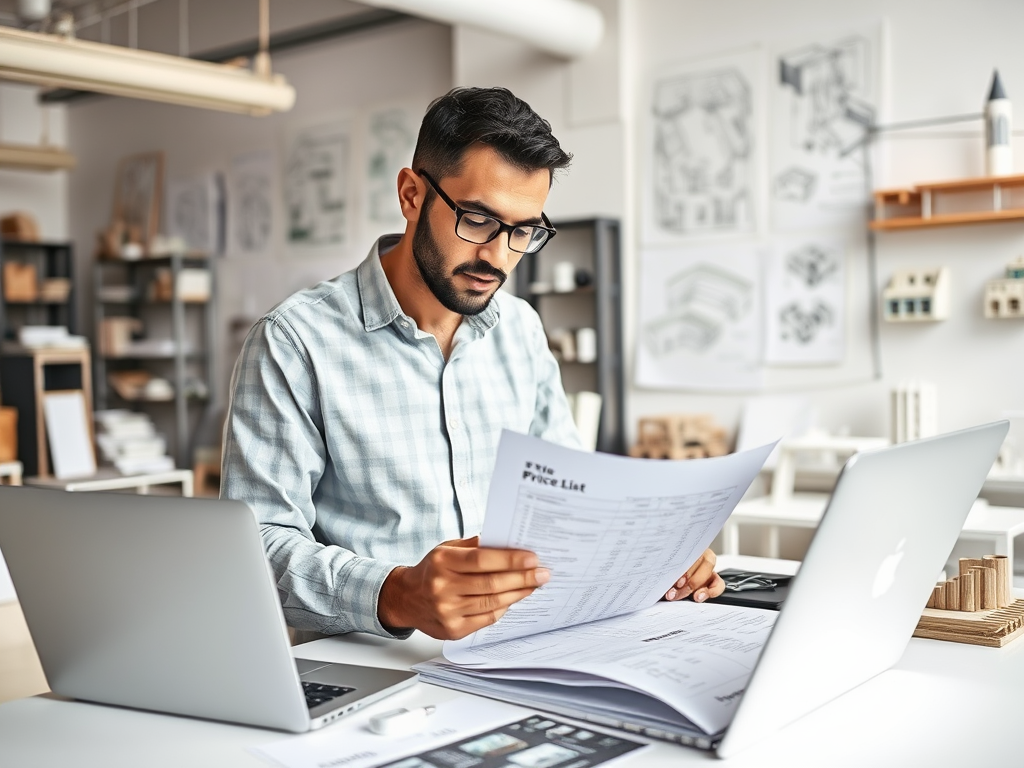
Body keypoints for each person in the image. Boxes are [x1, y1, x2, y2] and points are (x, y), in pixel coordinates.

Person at [221, 86, 725, 642]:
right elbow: (256, 543)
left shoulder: (522, 330)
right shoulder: (295, 341)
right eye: (478, 219)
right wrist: (396, 594)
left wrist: (653, 552)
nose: (498, 256)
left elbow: (570, 498)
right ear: (412, 195)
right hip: (371, 664)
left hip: (522, 647)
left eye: (523, 231)